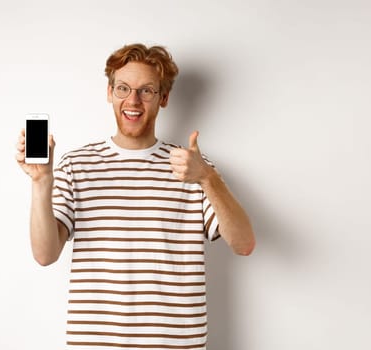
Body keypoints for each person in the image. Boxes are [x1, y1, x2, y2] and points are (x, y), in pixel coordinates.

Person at [14, 43, 256, 349]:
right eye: (123, 88)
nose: (133, 101)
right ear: (109, 92)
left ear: (163, 98)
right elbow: (45, 255)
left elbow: (244, 243)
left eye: (146, 91)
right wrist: (41, 181)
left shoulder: (192, 168)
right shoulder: (76, 166)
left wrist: (208, 178)